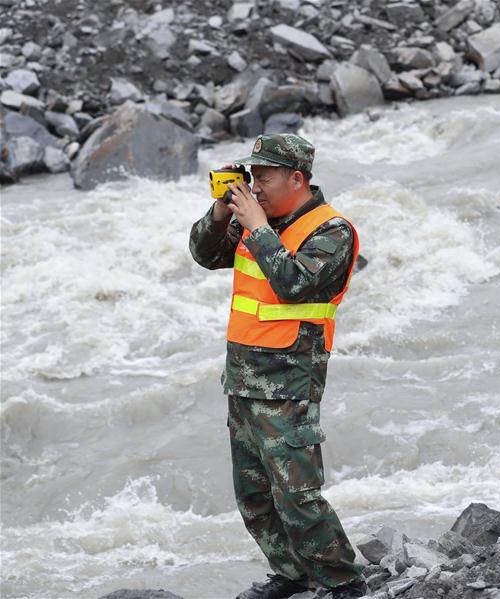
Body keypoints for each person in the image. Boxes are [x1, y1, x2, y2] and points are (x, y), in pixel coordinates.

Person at [189, 134, 367, 599]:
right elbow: (205, 255)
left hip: (290, 382)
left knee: (298, 497)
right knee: (254, 497)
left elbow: (293, 285)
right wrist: (222, 214)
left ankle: (343, 583)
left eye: (264, 178)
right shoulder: (254, 220)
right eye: (252, 177)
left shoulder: (333, 231)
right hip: (244, 378)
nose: (256, 187)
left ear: (297, 178)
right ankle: (291, 574)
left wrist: (258, 226)